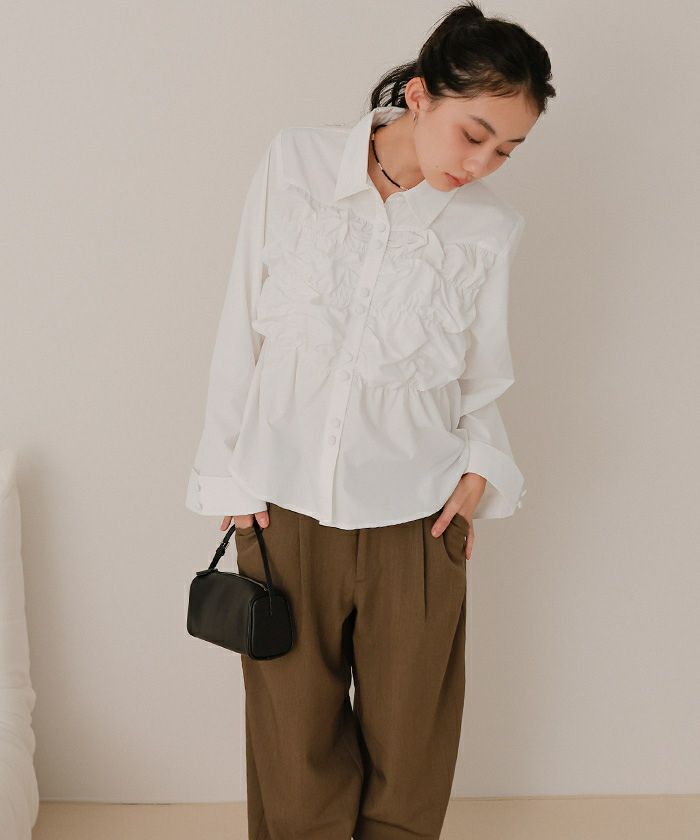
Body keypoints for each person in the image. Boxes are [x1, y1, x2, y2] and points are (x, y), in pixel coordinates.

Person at [185, 2, 555, 837]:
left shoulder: (492, 228)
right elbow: (241, 322)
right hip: (281, 510)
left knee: (410, 754)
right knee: (294, 755)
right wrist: (228, 475)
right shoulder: (297, 161)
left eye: (507, 150)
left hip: (419, 523)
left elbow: (482, 375)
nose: (483, 163)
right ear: (419, 95)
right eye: (475, 134)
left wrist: (482, 469)